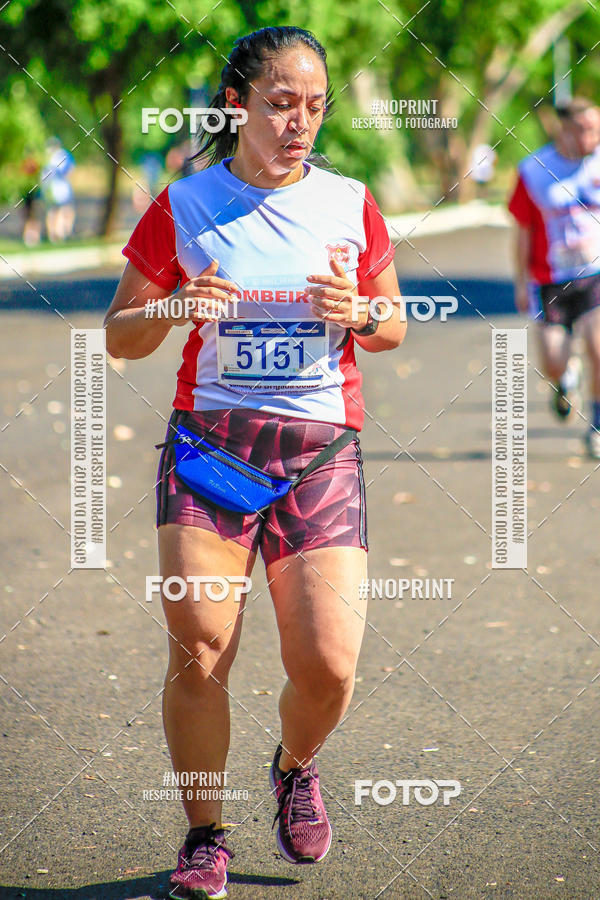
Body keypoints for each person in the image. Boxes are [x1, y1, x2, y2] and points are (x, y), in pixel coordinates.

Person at [104, 25, 405, 900]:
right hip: (213, 450)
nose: (299, 122)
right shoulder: (186, 204)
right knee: (201, 651)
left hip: (318, 454)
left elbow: (392, 327)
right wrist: (176, 305)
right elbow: (122, 336)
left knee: (329, 664)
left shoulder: (351, 200)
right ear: (237, 105)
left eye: (314, 106)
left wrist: (357, 312)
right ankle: (206, 835)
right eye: (280, 104)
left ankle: (294, 765)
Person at [508, 96, 600, 458]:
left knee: (598, 346)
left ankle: (596, 425)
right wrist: (519, 281)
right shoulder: (534, 170)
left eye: (596, 127)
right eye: (584, 129)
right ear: (564, 129)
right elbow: (523, 230)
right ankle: (565, 379)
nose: (593, 135)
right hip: (551, 280)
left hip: (595, 273)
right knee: (552, 360)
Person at [41, 137, 76, 242]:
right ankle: (61, 233)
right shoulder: (62, 155)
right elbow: (69, 170)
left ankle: (53, 234)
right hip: (61, 188)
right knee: (63, 210)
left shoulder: (46, 156)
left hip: (50, 188)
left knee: (53, 211)